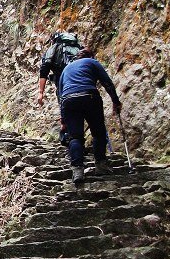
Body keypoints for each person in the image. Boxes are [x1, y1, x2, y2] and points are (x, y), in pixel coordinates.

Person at [58, 48, 122, 184]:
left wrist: (63, 119)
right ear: (91, 56)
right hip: (89, 96)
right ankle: (100, 165)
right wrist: (115, 101)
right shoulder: (92, 62)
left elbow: (61, 95)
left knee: (75, 136)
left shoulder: (66, 69)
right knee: (98, 132)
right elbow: (107, 82)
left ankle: (77, 171)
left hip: (69, 100)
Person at [38, 32, 82, 144]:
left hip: (64, 85)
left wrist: (41, 92)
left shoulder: (54, 48)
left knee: (66, 107)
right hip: (84, 85)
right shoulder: (79, 48)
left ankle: (69, 136)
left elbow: (44, 68)